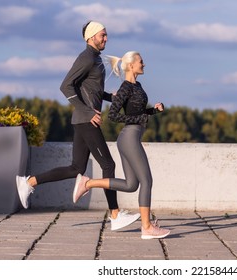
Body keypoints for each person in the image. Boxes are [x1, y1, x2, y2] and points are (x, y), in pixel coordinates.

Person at [16, 21, 140, 231]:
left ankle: (29, 182)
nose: (106, 39)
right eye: (103, 35)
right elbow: (66, 86)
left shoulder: (95, 59)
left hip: (83, 120)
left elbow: (91, 89)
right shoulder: (86, 57)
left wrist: (111, 96)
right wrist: (88, 111)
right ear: (91, 37)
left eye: (106, 35)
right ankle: (115, 215)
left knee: (76, 168)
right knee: (108, 165)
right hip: (85, 120)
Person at [73, 51, 170, 239]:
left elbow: (139, 111)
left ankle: (88, 183)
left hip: (131, 137)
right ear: (131, 65)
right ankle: (147, 227)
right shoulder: (125, 87)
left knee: (131, 184)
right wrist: (140, 117)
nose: (144, 64)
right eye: (141, 62)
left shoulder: (138, 86)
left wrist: (153, 111)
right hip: (129, 137)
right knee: (147, 181)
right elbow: (113, 115)